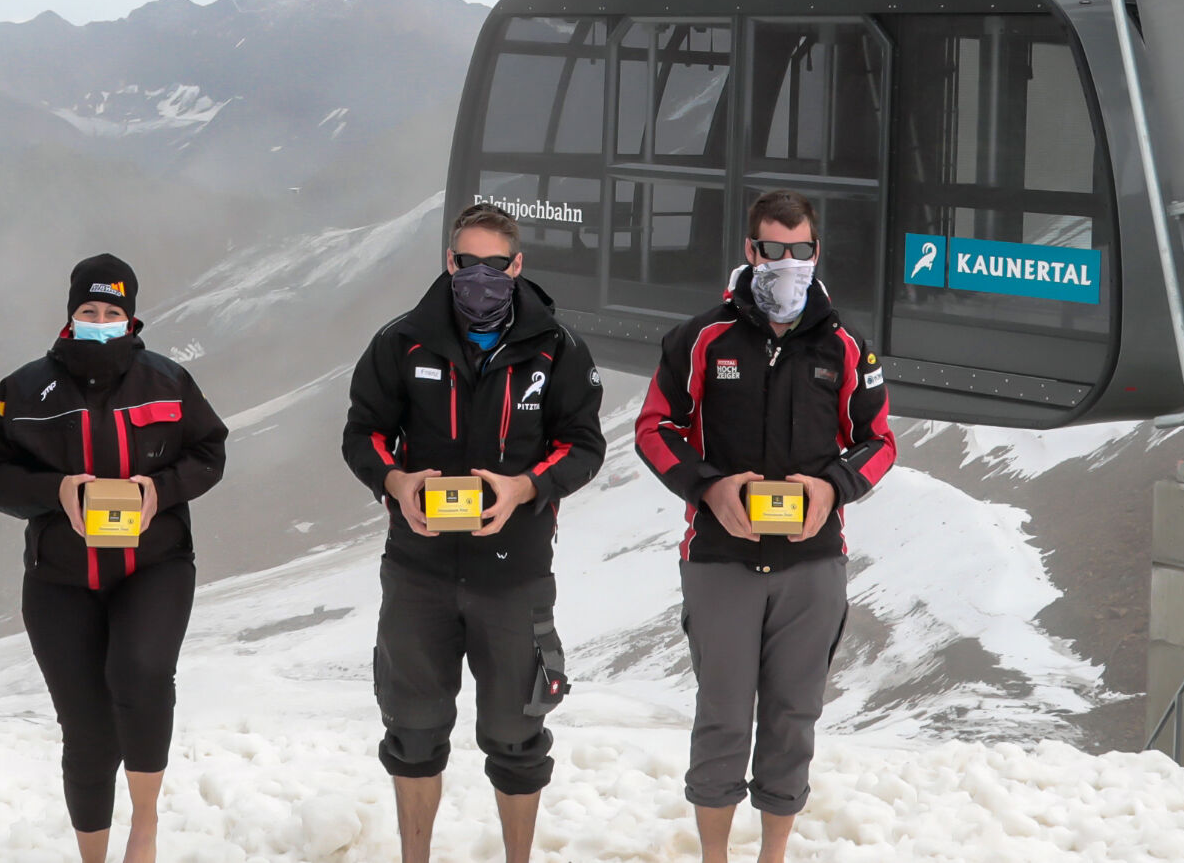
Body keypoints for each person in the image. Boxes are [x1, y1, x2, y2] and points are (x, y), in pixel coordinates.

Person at [634, 190, 896, 863]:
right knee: (722, 716)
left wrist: (832, 486)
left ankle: (772, 856)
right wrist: (709, 486)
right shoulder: (701, 338)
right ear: (751, 250)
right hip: (720, 560)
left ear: (816, 251)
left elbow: (879, 440)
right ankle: (714, 857)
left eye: (799, 249)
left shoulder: (845, 346)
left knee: (792, 718)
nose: (787, 262)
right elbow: (654, 428)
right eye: (774, 249)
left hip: (813, 564)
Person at [341, 202, 607, 863]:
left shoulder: (558, 348)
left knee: (518, 735)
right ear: (448, 261)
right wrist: (395, 481)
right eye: (468, 263)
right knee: (412, 732)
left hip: (515, 574)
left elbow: (583, 444)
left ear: (517, 266)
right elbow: (363, 432)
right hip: (418, 570)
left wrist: (526, 487)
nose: (480, 276)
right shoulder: (402, 341)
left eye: (495, 264)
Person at [0, 254, 227, 863]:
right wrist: (55, 491)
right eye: (90, 310)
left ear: (131, 318)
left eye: (113, 312)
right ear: (71, 315)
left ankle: (145, 828)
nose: (101, 321)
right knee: (86, 731)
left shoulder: (168, 381)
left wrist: (159, 489)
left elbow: (209, 452)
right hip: (61, 578)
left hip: (154, 565)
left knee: (140, 674)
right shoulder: (23, 388)